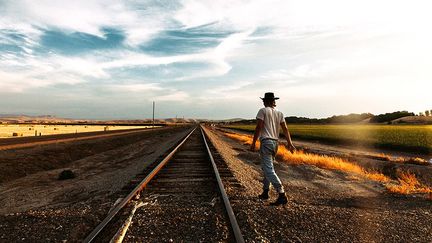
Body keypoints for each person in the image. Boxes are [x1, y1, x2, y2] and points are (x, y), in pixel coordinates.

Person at [250, 92, 296, 206]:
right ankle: (265, 192)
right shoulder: (280, 113)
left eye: (263, 100)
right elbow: (285, 129)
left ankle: (282, 194)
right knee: (267, 168)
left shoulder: (262, 111)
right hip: (275, 143)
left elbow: (259, 127)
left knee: (268, 169)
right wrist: (290, 143)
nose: (263, 102)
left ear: (265, 101)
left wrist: (253, 142)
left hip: (266, 142)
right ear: (274, 101)